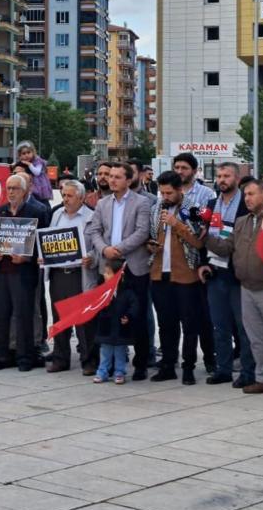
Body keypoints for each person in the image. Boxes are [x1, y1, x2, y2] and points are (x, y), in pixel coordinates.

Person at [206, 178, 263, 397]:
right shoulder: (240, 223)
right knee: (257, 338)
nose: (246, 198)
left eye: (251, 194)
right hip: (246, 288)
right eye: (245, 195)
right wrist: (205, 238)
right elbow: (226, 247)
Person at [85, 162, 156, 379]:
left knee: (138, 315)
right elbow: (95, 230)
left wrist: (120, 249)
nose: (112, 180)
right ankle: (108, 363)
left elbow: (143, 231)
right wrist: (105, 249)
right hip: (108, 266)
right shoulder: (103, 204)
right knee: (107, 315)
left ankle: (141, 363)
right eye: (111, 176)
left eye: (117, 177)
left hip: (133, 265)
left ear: (128, 180)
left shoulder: (142, 202)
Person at [146, 169, 209, 385]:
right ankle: (167, 365)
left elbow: (199, 242)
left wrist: (177, 225)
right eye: (162, 193)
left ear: (180, 190)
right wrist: (150, 246)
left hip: (186, 276)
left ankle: (189, 366)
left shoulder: (194, 209)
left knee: (189, 324)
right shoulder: (155, 209)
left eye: (169, 193)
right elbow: (150, 236)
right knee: (166, 324)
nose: (165, 197)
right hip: (159, 274)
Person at [198, 162, 253, 387]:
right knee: (219, 326)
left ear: (237, 178)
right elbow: (202, 236)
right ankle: (223, 369)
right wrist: (202, 263)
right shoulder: (210, 205)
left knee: (243, 327)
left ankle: (249, 371)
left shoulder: (245, 205)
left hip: (237, 274)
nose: (222, 180)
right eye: (219, 176)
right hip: (214, 272)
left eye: (226, 176)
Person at [0, 174, 49, 371]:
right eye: (8, 188)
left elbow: (43, 244)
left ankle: (25, 357)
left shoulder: (37, 212)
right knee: (1, 316)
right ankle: (2, 356)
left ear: (25, 191)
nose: (11, 192)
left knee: (23, 316)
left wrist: (27, 257)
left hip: (23, 273)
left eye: (15, 188)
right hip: (2, 273)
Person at [43, 179, 97, 374]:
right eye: (63, 195)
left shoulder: (91, 216)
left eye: (69, 196)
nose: (65, 199)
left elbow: (99, 245)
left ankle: (89, 360)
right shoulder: (57, 214)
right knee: (60, 318)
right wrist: (44, 256)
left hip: (79, 274)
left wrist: (91, 257)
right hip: (58, 274)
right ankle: (60, 358)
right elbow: (49, 241)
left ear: (81, 197)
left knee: (84, 320)